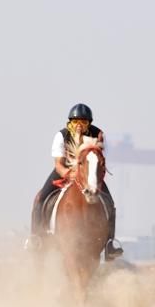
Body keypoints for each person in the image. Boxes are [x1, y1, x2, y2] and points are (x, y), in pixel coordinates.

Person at [26, 103, 123, 260]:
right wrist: (67, 173)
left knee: (110, 203)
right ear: (70, 122)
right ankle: (35, 237)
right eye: (76, 122)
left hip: (88, 172)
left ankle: (109, 244)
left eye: (83, 122)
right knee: (40, 198)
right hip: (65, 171)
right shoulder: (61, 136)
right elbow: (58, 164)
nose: (79, 126)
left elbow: (98, 158)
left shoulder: (98, 134)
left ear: (89, 124)